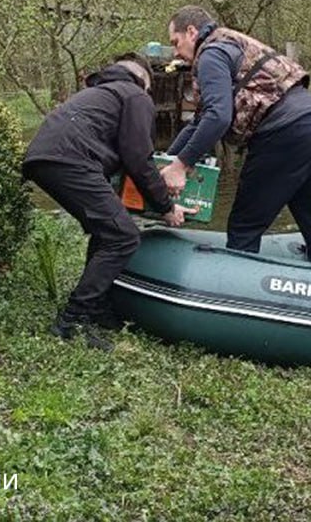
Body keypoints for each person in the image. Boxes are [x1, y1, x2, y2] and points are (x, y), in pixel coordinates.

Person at [23, 53, 192, 351]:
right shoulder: (135, 94)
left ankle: (97, 307)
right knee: (123, 236)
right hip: (70, 159)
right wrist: (165, 206)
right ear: (144, 80)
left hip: (44, 158)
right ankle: (73, 320)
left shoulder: (98, 92)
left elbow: (125, 160)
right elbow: (138, 158)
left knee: (108, 231)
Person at [162, 6, 311, 266]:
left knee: (244, 225)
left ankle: (235, 293)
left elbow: (218, 118)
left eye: (175, 42)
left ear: (191, 32)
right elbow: (201, 120)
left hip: (283, 134)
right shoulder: (229, 42)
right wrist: (168, 161)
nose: (175, 52)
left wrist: (181, 166)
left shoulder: (210, 55)